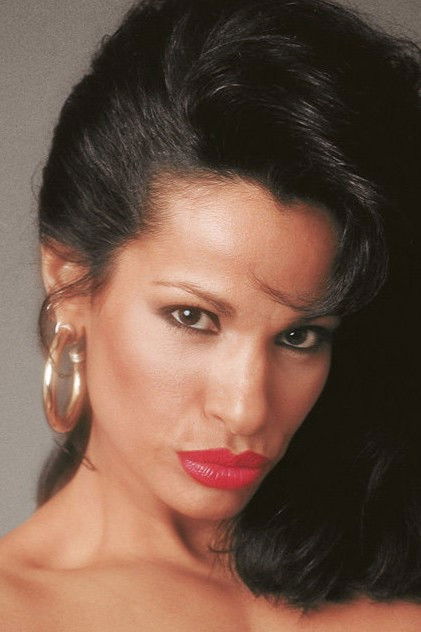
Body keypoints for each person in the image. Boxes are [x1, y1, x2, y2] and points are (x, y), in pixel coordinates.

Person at [0, 0, 420, 629]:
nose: (247, 409)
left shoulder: (392, 567)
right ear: (70, 283)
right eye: (192, 317)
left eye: (300, 336)